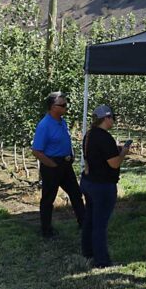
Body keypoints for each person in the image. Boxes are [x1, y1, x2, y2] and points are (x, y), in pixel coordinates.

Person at [81, 105, 129, 268]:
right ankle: (102, 260)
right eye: (112, 117)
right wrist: (123, 153)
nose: (114, 120)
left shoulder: (89, 135)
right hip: (102, 185)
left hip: (89, 182)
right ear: (106, 118)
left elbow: (97, 154)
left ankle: (87, 251)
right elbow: (114, 163)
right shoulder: (105, 138)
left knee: (90, 219)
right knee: (100, 224)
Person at [31, 91, 85, 238]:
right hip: (52, 166)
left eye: (66, 104)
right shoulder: (44, 125)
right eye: (62, 105)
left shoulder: (62, 121)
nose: (66, 107)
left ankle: (84, 223)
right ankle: (46, 231)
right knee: (48, 199)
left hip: (66, 164)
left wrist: (71, 154)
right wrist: (52, 165)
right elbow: (36, 151)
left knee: (76, 194)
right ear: (52, 107)